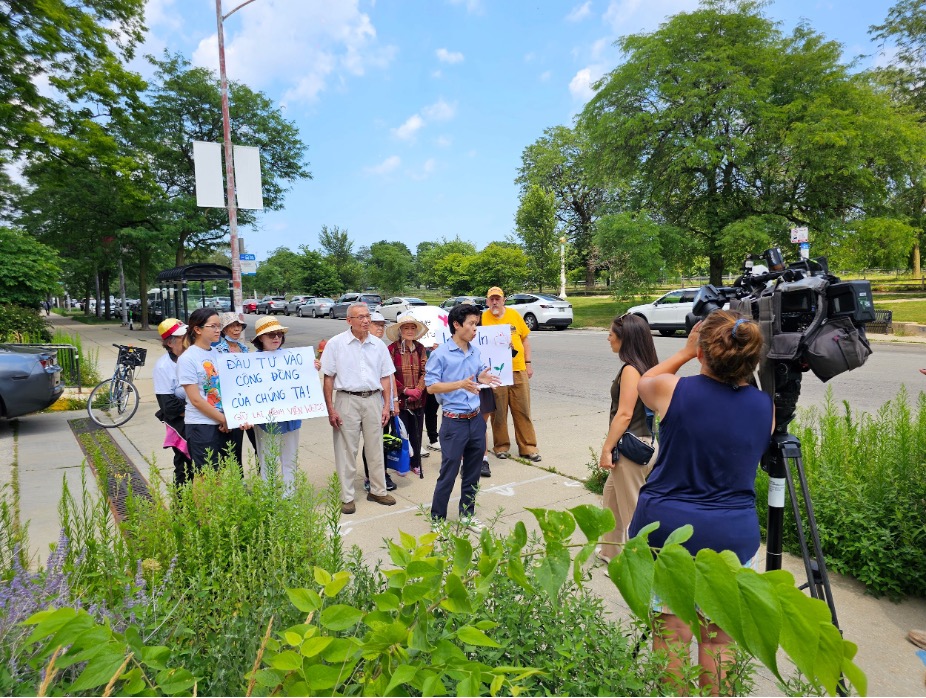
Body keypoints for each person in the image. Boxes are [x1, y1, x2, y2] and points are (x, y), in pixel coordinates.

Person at [628, 310, 773, 695]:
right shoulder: (766, 408)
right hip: (733, 533)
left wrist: (685, 352)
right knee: (720, 639)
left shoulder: (673, 390)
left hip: (667, 530)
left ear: (704, 352)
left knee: (672, 634)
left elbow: (645, 381)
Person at [425, 303, 501, 531]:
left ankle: (467, 515)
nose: (475, 329)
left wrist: (482, 379)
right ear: (456, 325)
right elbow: (431, 387)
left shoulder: (475, 351)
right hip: (453, 421)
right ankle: (437, 518)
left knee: (473, 471)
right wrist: (460, 384)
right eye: (471, 324)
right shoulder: (440, 354)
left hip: (476, 420)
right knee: (448, 472)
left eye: (476, 324)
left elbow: (476, 376)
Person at [321, 303, 397, 514]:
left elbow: (385, 377)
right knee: (346, 450)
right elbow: (328, 378)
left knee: (375, 448)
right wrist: (331, 408)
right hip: (347, 400)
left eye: (368, 317)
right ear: (349, 321)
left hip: (373, 399)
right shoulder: (336, 344)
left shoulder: (378, 345)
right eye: (361, 317)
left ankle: (378, 490)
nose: (366, 321)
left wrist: (386, 405)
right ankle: (347, 496)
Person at [597, 313, 660, 562]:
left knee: (633, 512)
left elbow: (624, 414)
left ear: (625, 339)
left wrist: (606, 448)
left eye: (611, 334)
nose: (608, 338)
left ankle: (640, 564)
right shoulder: (646, 366)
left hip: (631, 450)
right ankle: (610, 552)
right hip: (640, 444)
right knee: (611, 500)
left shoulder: (631, 370)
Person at [177, 307, 245, 472]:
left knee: (222, 474)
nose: (218, 330)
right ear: (198, 329)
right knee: (205, 476)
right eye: (213, 326)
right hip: (202, 425)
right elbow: (196, 400)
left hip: (222, 422)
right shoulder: (188, 358)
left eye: (219, 326)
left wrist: (227, 417)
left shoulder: (216, 353)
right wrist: (223, 419)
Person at [481, 286, 541, 461]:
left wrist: (528, 363)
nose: (494, 302)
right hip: (496, 372)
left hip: (517, 369)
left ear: (503, 300)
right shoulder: (482, 318)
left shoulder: (514, 315)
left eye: (497, 298)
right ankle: (501, 446)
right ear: (487, 301)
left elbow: (525, 340)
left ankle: (528, 447)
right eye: (491, 299)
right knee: (498, 411)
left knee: (522, 409)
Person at [250, 316, 301, 489]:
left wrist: (310, 368)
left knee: (290, 459)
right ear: (260, 339)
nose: (276, 338)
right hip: (266, 421)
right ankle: (268, 498)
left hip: (290, 419)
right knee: (267, 460)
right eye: (270, 334)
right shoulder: (249, 363)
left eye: (278, 334)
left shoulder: (293, 359)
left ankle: (290, 496)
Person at [385, 313, 429, 479]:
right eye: (406, 328)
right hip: (400, 401)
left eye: (412, 328)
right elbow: (389, 375)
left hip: (419, 400)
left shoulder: (420, 348)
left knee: (416, 433)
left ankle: (415, 463)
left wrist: (418, 389)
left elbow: (425, 371)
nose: (410, 331)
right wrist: (405, 390)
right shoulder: (392, 349)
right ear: (400, 330)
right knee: (400, 435)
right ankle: (400, 463)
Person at [153, 318, 193, 485]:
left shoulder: (193, 356)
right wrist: (198, 409)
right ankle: (183, 505)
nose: (187, 339)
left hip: (200, 416)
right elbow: (169, 406)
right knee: (184, 465)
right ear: (170, 343)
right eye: (182, 336)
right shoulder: (163, 367)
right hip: (181, 423)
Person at [361, 311, 398, 491]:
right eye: (377, 325)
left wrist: (393, 402)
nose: (380, 328)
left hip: (385, 401)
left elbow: (390, 377)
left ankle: (382, 472)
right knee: (371, 440)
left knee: (383, 439)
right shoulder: (364, 347)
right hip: (369, 400)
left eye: (382, 325)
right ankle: (371, 476)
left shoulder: (381, 347)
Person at [213, 311, 256, 465]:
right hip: (231, 406)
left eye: (239, 325)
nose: (237, 328)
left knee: (259, 444)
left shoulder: (245, 349)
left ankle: (263, 478)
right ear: (224, 330)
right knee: (233, 448)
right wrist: (221, 414)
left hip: (249, 404)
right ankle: (239, 483)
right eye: (232, 325)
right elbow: (215, 383)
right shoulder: (217, 351)